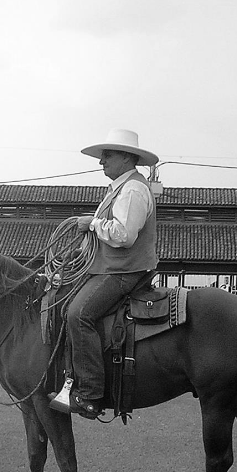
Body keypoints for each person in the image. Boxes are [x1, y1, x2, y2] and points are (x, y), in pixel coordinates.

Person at [57, 128, 159, 419]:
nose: (101, 161)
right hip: (112, 267)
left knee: (79, 314)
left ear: (127, 157)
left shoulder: (133, 190)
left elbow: (124, 235)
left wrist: (92, 224)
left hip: (126, 271)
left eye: (107, 155)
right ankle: (69, 380)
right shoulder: (118, 188)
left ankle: (90, 394)